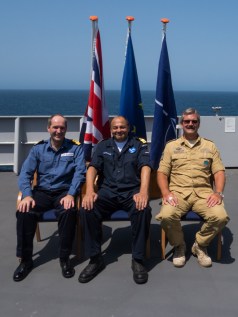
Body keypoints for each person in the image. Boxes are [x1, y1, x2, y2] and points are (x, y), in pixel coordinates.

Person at [78, 116, 152, 284]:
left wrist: (143, 192)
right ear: (111, 129)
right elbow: (92, 168)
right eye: (115, 127)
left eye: (122, 127)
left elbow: (145, 167)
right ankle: (95, 259)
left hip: (131, 192)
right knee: (87, 209)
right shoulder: (103, 145)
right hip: (107, 192)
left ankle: (138, 259)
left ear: (129, 128)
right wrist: (89, 191)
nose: (119, 130)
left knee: (143, 209)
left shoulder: (139, 145)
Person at [13, 114, 86, 282]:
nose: (58, 131)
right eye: (55, 127)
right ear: (49, 129)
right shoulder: (38, 149)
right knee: (24, 212)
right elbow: (25, 174)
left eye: (62, 128)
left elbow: (80, 173)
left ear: (66, 129)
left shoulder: (75, 148)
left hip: (64, 192)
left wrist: (71, 194)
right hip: (42, 192)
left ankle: (64, 258)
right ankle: (25, 260)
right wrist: (26, 195)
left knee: (68, 211)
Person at [156, 108, 229, 268]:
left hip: (204, 194)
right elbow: (162, 173)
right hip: (178, 194)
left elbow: (219, 172)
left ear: (198, 124)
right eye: (187, 121)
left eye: (194, 121)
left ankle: (200, 245)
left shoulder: (210, 146)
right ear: (182, 124)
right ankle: (179, 246)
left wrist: (218, 193)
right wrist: (166, 193)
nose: (190, 124)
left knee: (220, 217)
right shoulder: (171, 147)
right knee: (167, 215)